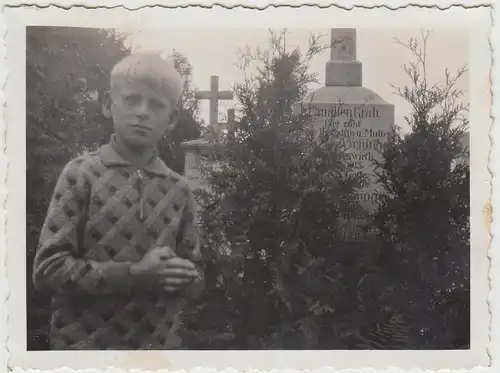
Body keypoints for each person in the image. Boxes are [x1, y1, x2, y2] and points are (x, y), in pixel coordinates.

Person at [32, 53, 204, 350]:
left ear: (172, 119)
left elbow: (197, 273)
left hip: (156, 352)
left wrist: (186, 276)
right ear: (108, 104)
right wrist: (135, 274)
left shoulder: (178, 189)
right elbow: (48, 270)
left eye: (156, 105)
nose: (142, 112)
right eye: (132, 100)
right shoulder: (80, 174)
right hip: (83, 350)